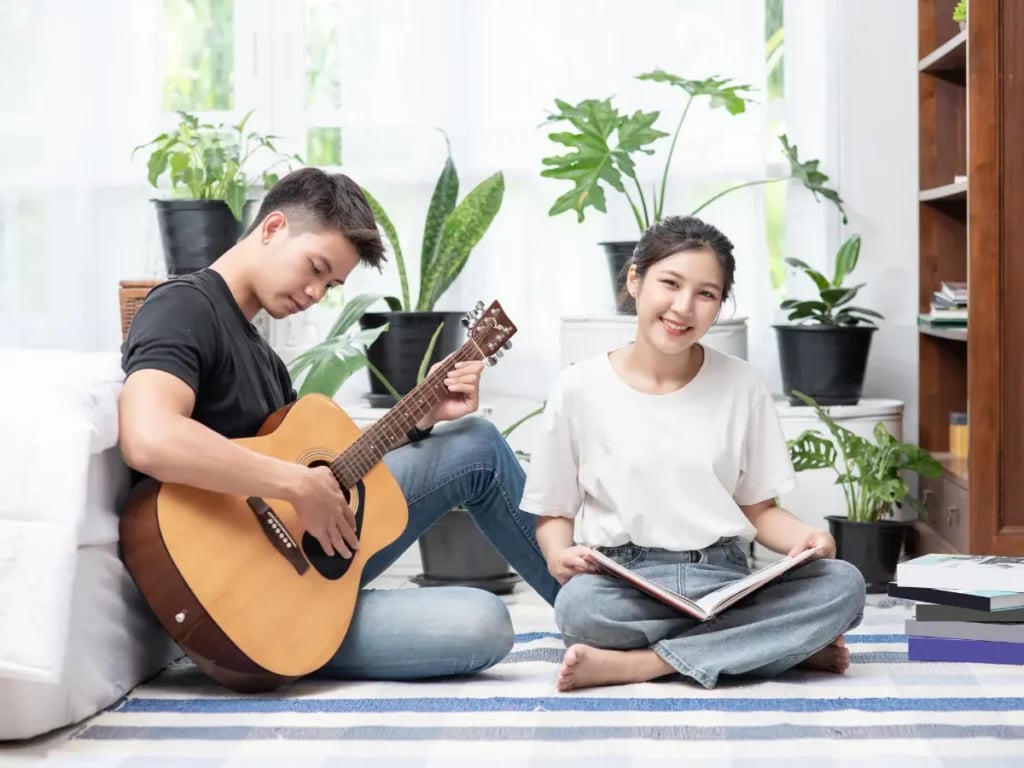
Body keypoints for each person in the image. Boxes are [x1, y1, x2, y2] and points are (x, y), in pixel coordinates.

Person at [118, 167, 560, 681]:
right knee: (484, 622)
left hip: (298, 577)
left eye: (330, 285)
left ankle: (594, 614)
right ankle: (605, 614)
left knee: (475, 442)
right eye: (315, 267)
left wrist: (419, 418)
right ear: (272, 227)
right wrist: (294, 483)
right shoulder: (183, 305)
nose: (314, 292)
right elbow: (148, 437)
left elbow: (330, 481)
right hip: (239, 607)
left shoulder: (265, 359)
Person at [520, 215, 866, 692]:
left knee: (842, 585)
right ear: (635, 279)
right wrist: (558, 554)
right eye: (670, 283)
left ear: (719, 305)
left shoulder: (742, 384)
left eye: (706, 294)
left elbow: (759, 510)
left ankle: (645, 664)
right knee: (579, 610)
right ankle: (772, 648)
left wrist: (807, 537)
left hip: (724, 580)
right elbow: (554, 512)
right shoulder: (578, 387)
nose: (684, 308)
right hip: (627, 584)